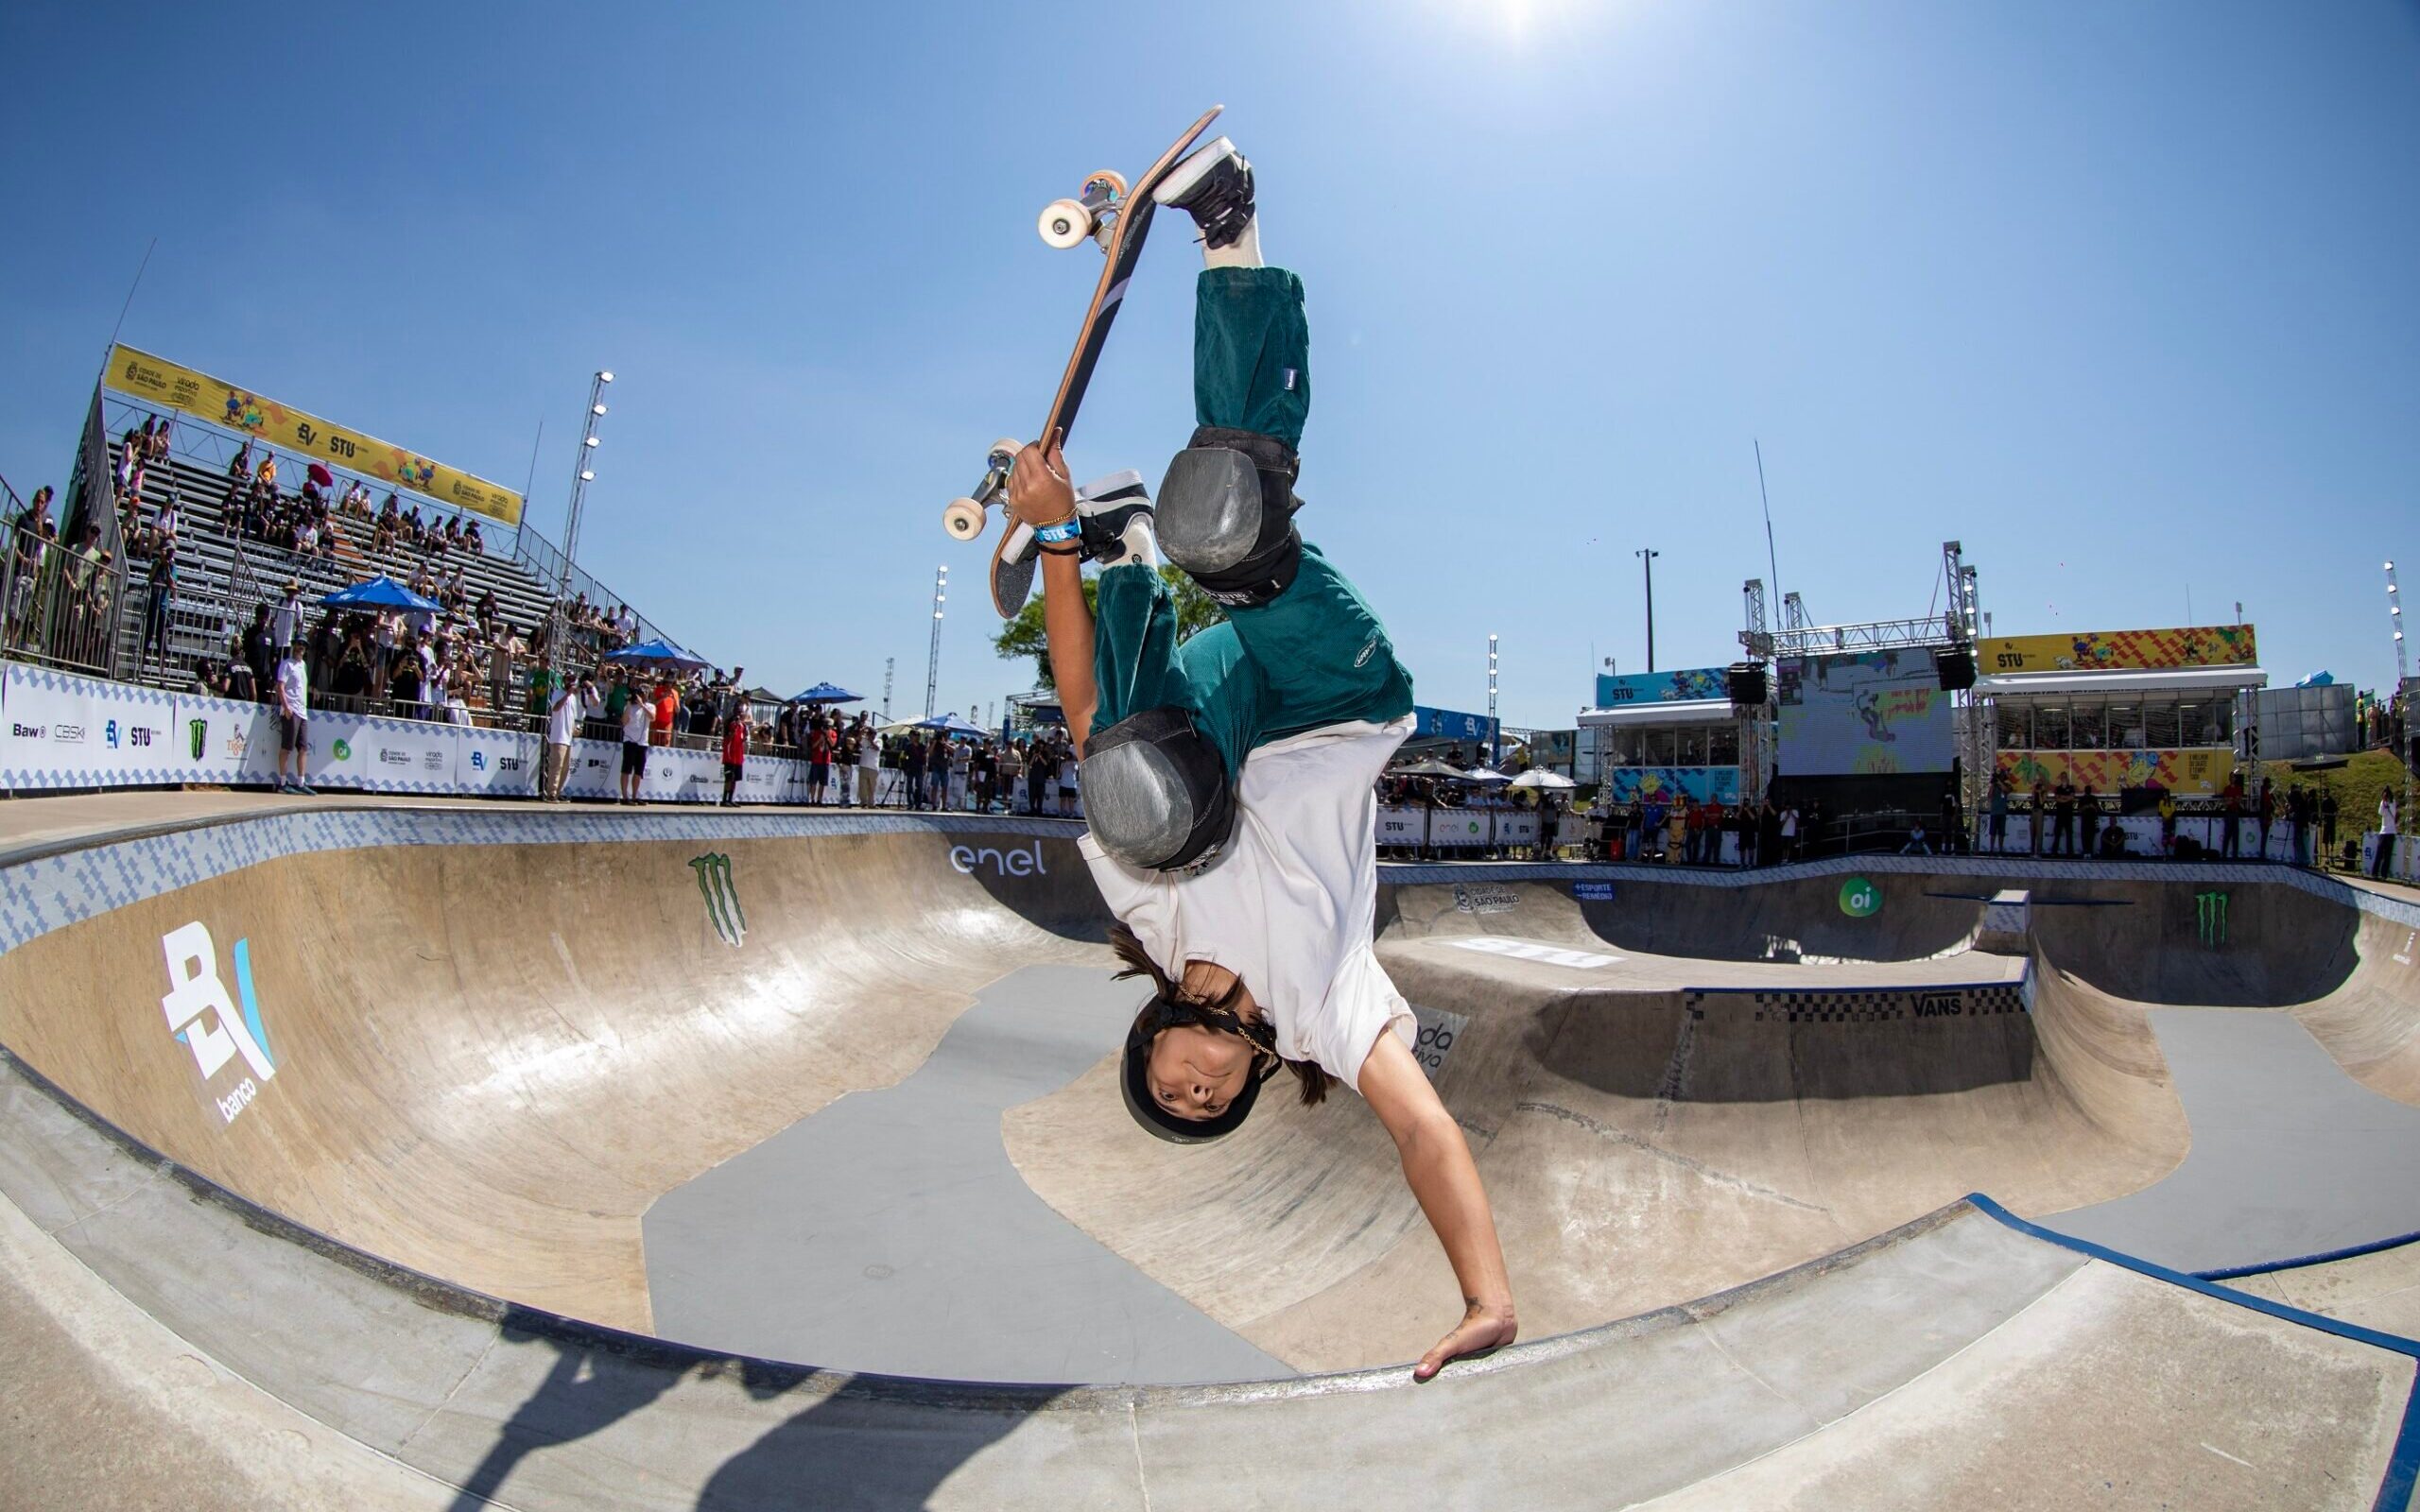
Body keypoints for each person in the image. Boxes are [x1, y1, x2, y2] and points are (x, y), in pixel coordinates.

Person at [1004, 142, 1512, 1382]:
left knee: (1133, 794)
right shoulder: (1332, 1026)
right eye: (1203, 1104)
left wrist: (1058, 540)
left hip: (1229, 711)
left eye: (1164, 1088)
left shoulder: (1148, 920)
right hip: (1333, 700)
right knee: (1227, 523)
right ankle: (1233, 229)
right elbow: (1427, 1133)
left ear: (1149, 1046)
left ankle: (1119, 547)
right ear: (1243, 1081)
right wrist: (1483, 1292)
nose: (1188, 1087)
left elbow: (1082, 710)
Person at [273, 644, 314, 795]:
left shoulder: (303, 665)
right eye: (298, 646)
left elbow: (301, 687)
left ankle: (300, 782)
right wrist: (286, 707)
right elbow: (280, 686)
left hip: (302, 711)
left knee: (303, 748)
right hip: (291, 709)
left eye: (303, 647)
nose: (300, 649)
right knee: (287, 747)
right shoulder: (287, 664)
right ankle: (283, 782)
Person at [542, 672, 579, 801]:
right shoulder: (558, 693)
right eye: (569, 679)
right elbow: (556, 708)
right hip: (558, 736)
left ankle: (558, 792)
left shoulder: (574, 698)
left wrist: (574, 729)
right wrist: (566, 695)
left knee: (565, 768)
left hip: (568, 737)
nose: (571, 682)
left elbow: (573, 716)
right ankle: (551, 792)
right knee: (556, 766)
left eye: (573, 679)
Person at [620, 685, 653, 804]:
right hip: (630, 740)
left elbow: (652, 717)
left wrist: (642, 705)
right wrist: (629, 704)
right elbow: (624, 722)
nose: (642, 695)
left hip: (642, 742)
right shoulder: (629, 707)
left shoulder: (650, 706)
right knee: (626, 769)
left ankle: (634, 796)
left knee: (639, 771)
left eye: (644, 693)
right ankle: (624, 797)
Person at [721, 704, 753, 806]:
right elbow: (727, 738)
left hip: (738, 755)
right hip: (730, 754)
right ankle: (724, 799)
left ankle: (731, 799)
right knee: (729, 778)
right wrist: (734, 728)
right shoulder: (730, 722)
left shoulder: (742, 725)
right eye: (737, 711)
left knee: (735, 779)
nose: (739, 714)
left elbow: (744, 736)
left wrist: (744, 736)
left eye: (741, 712)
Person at [807, 717, 837, 805]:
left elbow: (833, 744)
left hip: (825, 760)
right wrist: (820, 740)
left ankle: (819, 800)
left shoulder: (833, 733)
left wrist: (828, 736)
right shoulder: (817, 733)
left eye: (829, 727)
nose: (828, 728)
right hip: (816, 760)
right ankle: (811, 799)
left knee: (822, 783)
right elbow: (813, 746)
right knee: (813, 781)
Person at [856, 719, 882, 808]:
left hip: (873, 767)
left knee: (872, 787)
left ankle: (872, 803)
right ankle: (863, 802)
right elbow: (858, 739)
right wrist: (862, 731)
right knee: (862, 786)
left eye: (874, 733)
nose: (873, 735)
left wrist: (871, 740)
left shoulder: (879, 741)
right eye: (871, 733)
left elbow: (877, 748)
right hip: (863, 765)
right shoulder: (864, 740)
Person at [2377, 792, 2400, 880]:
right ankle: (2381, 874)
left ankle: (2380, 874)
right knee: (2384, 855)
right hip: (2387, 832)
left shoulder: (2388, 803)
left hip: (2387, 832)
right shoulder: (2389, 803)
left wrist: (2384, 800)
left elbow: (2381, 812)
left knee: (2384, 855)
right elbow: (2381, 812)